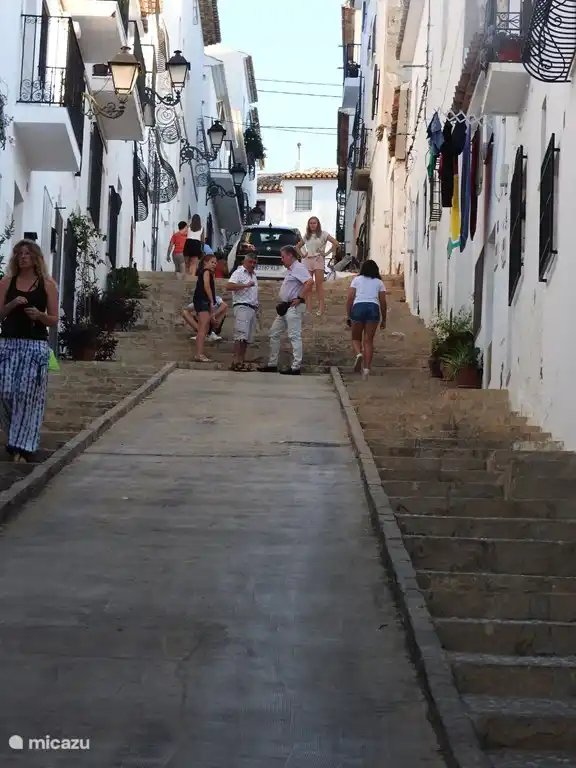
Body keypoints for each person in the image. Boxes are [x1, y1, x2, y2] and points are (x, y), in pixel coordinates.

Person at [0, 240, 59, 462]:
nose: (23, 257)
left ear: (36, 258)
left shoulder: (47, 284)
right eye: (19, 253)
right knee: (4, 393)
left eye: (27, 253)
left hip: (34, 346)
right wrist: (12, 304)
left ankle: (23, 447)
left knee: (28, 396)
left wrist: (40, 316)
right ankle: (14, 437)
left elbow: (53, 319)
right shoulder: (6, 282)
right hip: (8, 344)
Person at [259, 245, 313, 375]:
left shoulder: (298, 268)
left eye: (283, 256)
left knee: (294, 335)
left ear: (290, 255)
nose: (281, 259)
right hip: (286, 306)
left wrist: (300, 298)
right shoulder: (291, 269)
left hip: (293, 306)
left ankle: (296, 366)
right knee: (274, 332)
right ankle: (272, 363)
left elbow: (309, 282)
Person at [346, 259, 387, 380]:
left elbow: (350, 298)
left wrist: (348, 315)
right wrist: (384, 319)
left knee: (355, 338)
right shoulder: (379, 282)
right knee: (368, 341)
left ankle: (359, 354)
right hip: (373, 308)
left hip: (358, 307)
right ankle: (366, 370)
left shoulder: (356, 280)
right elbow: (383, 302)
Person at [296, 216, 339, 316]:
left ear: (318, 224)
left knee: (319, 285)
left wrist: (326, 253)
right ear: (308, 225)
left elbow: (336, 243)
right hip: (307, 260)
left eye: (314, 223)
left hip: (318, 260)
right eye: (311, 223)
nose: (312, 225)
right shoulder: (307, 235)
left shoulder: (323, 234)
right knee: (308, 285)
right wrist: (302, 255)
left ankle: (321, 308)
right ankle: (309, 309)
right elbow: (297, 247)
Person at [226, 253, 259, 372]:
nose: (252, 265)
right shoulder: (239, 272)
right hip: (242, 306)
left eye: (254, 263)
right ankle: (235, 361)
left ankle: (241, 361)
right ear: (244, 262)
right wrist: (245, 285)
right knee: (240, 336)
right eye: (250, 262)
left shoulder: (253, 275)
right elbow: (229, 286)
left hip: (251, 307)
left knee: (246, 338)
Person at [192, 251, 218, 362]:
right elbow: (206, 286)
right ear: (205, 262)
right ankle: (199, 354)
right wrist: (211, 300)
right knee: (202, 328)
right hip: (202, 301)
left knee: (204, 328)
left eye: (215, 263)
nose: (214, 264)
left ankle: (199, 353)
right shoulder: (206, 272)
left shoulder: (207, 273)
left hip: (202, 301)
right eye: (212, 262)